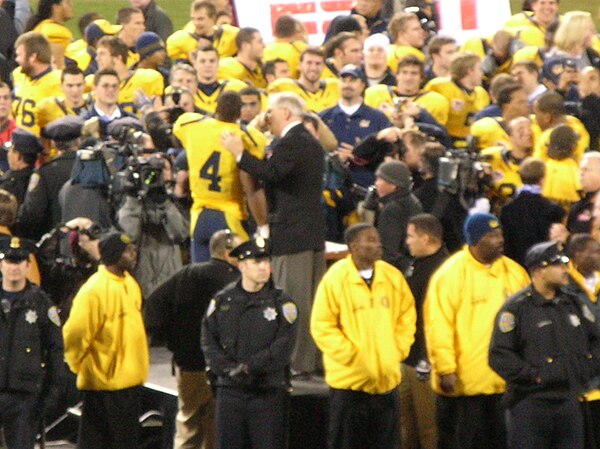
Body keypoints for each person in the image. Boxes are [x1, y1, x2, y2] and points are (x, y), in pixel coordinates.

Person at [222, 91, 326, 377]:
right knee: (311, 301)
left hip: (294, 234)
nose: (268, 116)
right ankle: (312, 360)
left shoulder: (294, 141)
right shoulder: (308, 142)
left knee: (294, 300)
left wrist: (239, 153)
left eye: (272, 112)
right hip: (309, 232)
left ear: (287, 114)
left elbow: (272, 173)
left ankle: (298, 362)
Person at [424, 212, 530, 449]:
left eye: (500, 233)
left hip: (504, 382)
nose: (500, 239)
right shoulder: (450, 275)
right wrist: (445, 368)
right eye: (492, 235)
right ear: (474, 240)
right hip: (464, 384)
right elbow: (438, 325)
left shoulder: (515, 272)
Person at [311, 223, 416, 449]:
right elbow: (322, 325)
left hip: (386, 382)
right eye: (370, 240)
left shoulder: (392, 276)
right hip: (349, 385)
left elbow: (407, 317)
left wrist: (397, 350)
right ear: (353, 246)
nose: (377, 244)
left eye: (377, 239)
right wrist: (352, 356)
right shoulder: (335, 279)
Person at [489, 241, 600, 449]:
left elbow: (597, 341)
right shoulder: (516, 309)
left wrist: (584, 369)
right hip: (531, 406)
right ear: (539, 270)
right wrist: (534, 376)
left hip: (569, 402)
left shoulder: (573, 304)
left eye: (565, 264)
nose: (565, 270)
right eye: (558, 265)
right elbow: (500, 355)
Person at [145, 229, 242, 449]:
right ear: (228, 253)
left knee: (188, 427)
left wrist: (171, 340)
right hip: (225, 372)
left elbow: (153, 308)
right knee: (215, 431)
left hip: (188, 364)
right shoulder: (238, 283)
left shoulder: (187, 273)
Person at [201, 236, 298, 449]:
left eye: (266, 261)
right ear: (242, 265)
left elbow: (283, 346)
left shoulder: (282, 303)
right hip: (230, 393)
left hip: (267, 393)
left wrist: (250, 367)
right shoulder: (223, 301)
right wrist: (227, 370)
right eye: (257, 262)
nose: (264, 267)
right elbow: (209, 341)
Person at [63, 232, 149, 449]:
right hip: (104, 386)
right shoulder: (94, 290)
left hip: (130, 383)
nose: (133, 254)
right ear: (114, 256)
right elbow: (75, 334)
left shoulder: (130, 283)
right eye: (127, 251)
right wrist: (78, 366)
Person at [173, 91, 267, 262]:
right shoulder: (248, 136)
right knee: (240, 274)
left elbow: (179, 128)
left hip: (199, 215)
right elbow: (256, 156)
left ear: (216, 108)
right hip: (229, 214)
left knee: (201, 277)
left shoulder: (191, 125)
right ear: (239, 113)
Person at [0, 236, 63, 449]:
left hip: (25, 398)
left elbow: (55, 350)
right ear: (1, 264)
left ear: (28, 266)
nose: (13, 267)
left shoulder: (41, 304)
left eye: (19, 262)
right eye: (9, 261)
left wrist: (51, 396)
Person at [401, 214, 449, 449]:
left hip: (427, 362)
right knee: (405, 428)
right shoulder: (415, 263)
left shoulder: (445, 271)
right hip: (407, 358)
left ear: (426, 238)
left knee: (429, 428)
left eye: (411, 236)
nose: (407, 241)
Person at [500, 157, 565, 265]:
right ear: (543, 179)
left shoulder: (507, 209)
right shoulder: (554, 210)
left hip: (514, 267)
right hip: (541, 267)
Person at [12, 31, 62, 136]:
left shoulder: (58, 82)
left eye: (19, 55)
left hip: (42, 148)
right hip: (17, 145)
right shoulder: (19, 76)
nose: (17, 60)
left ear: (33, 57)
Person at [373, 159, 422, 265]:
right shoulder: (412, 200)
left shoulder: (392, 209)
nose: (376, 184)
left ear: (394, 185)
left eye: (380, 179)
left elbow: (388, 252)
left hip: (396, 271)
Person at [0, 128, 43, 205]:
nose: (8, 153)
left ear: (18, 156)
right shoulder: (40, 179)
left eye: (11, 150)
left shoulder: (9, 185)